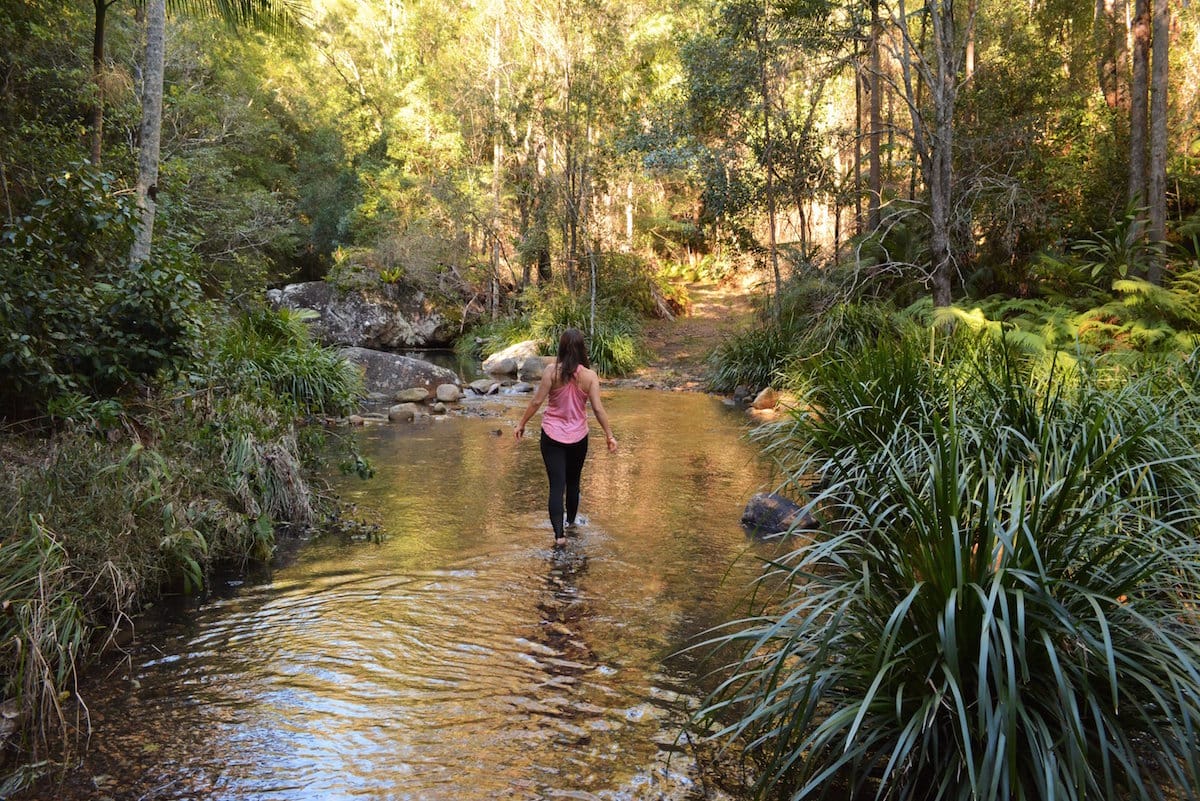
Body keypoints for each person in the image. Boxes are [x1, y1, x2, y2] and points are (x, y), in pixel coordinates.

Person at [515, 328, 618, 547]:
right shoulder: (589, 377)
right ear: (582, 349)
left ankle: (559, 537)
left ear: (561, 348)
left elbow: (536, 402)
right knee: (573, 484)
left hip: (552, 435)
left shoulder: (552, 372)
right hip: (578, 437)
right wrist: (609, 435)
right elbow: (598, 409)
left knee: (556, 486)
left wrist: (521, 423)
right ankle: (571, 525)